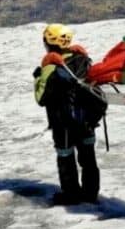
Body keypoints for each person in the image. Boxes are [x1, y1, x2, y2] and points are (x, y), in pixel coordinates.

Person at [33, 24, 102, 205]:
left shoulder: (51, 66)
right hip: (86, 120)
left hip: (62, 123)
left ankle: (71, 196)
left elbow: (41, 98)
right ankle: (91, 195)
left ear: (49, 42)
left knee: (66, 158)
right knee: (88, 159)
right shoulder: (83, 59)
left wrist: (38, 77)